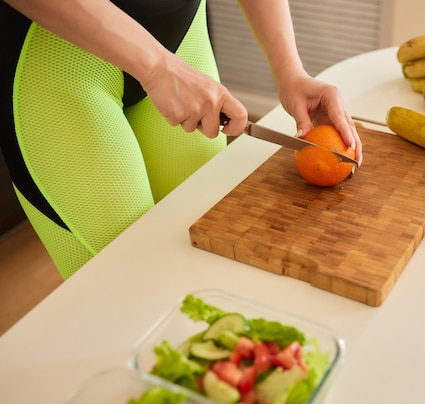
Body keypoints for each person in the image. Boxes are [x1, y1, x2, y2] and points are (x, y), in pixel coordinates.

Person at [0, 0, 363, 279]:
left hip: (183, 41)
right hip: (55, 61)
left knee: (208, 257)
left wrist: (290, 69)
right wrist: (157, 67)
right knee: (127, 288)